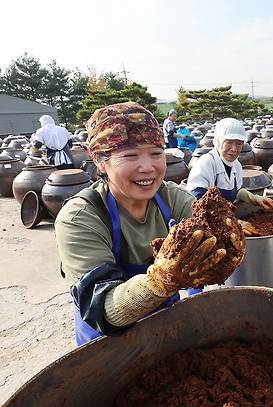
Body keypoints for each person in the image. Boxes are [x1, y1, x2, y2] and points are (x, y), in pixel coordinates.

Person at [54, 102, 241, 346]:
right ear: (100, 161)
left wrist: (231, 242)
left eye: (156, 153)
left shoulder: (172, 198)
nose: (148, 167)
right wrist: (160, 281)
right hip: (106, 347)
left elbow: (217, 237)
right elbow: (105, 308)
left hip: (164, 331)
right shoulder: (81, 218)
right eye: (130, 155)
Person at [186, 117, 273, 236]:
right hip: (206, 230)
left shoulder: (236, 166)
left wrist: (255, 199)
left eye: (239, 144)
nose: (234, 149)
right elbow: (196, 204)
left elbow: (236, 191)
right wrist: (234, 222)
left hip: (226, 228)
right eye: (229, 142)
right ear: (219, 141)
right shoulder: (206, 164)